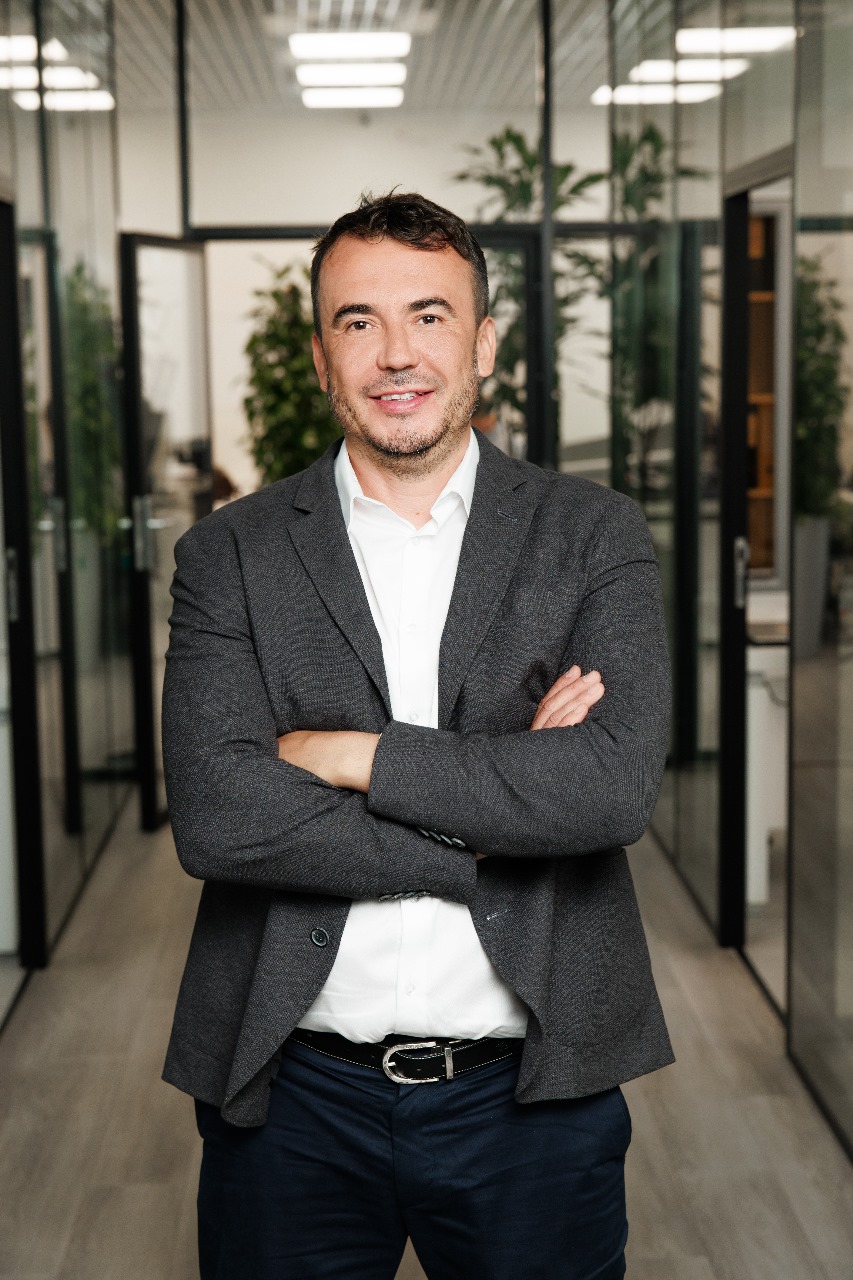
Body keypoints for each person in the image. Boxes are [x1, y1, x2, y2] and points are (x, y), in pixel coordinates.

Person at [162, 191, 673, 1280]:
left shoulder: (592, 534)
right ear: (321, 357)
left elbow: (609, 788)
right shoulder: (229, 554)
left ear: (482, 342)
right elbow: (217, 815)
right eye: (359, 321)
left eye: (429, 315)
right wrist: (495, 821)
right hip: (292, 1096)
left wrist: (348, 756)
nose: (396, 353)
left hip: (531, 1096)